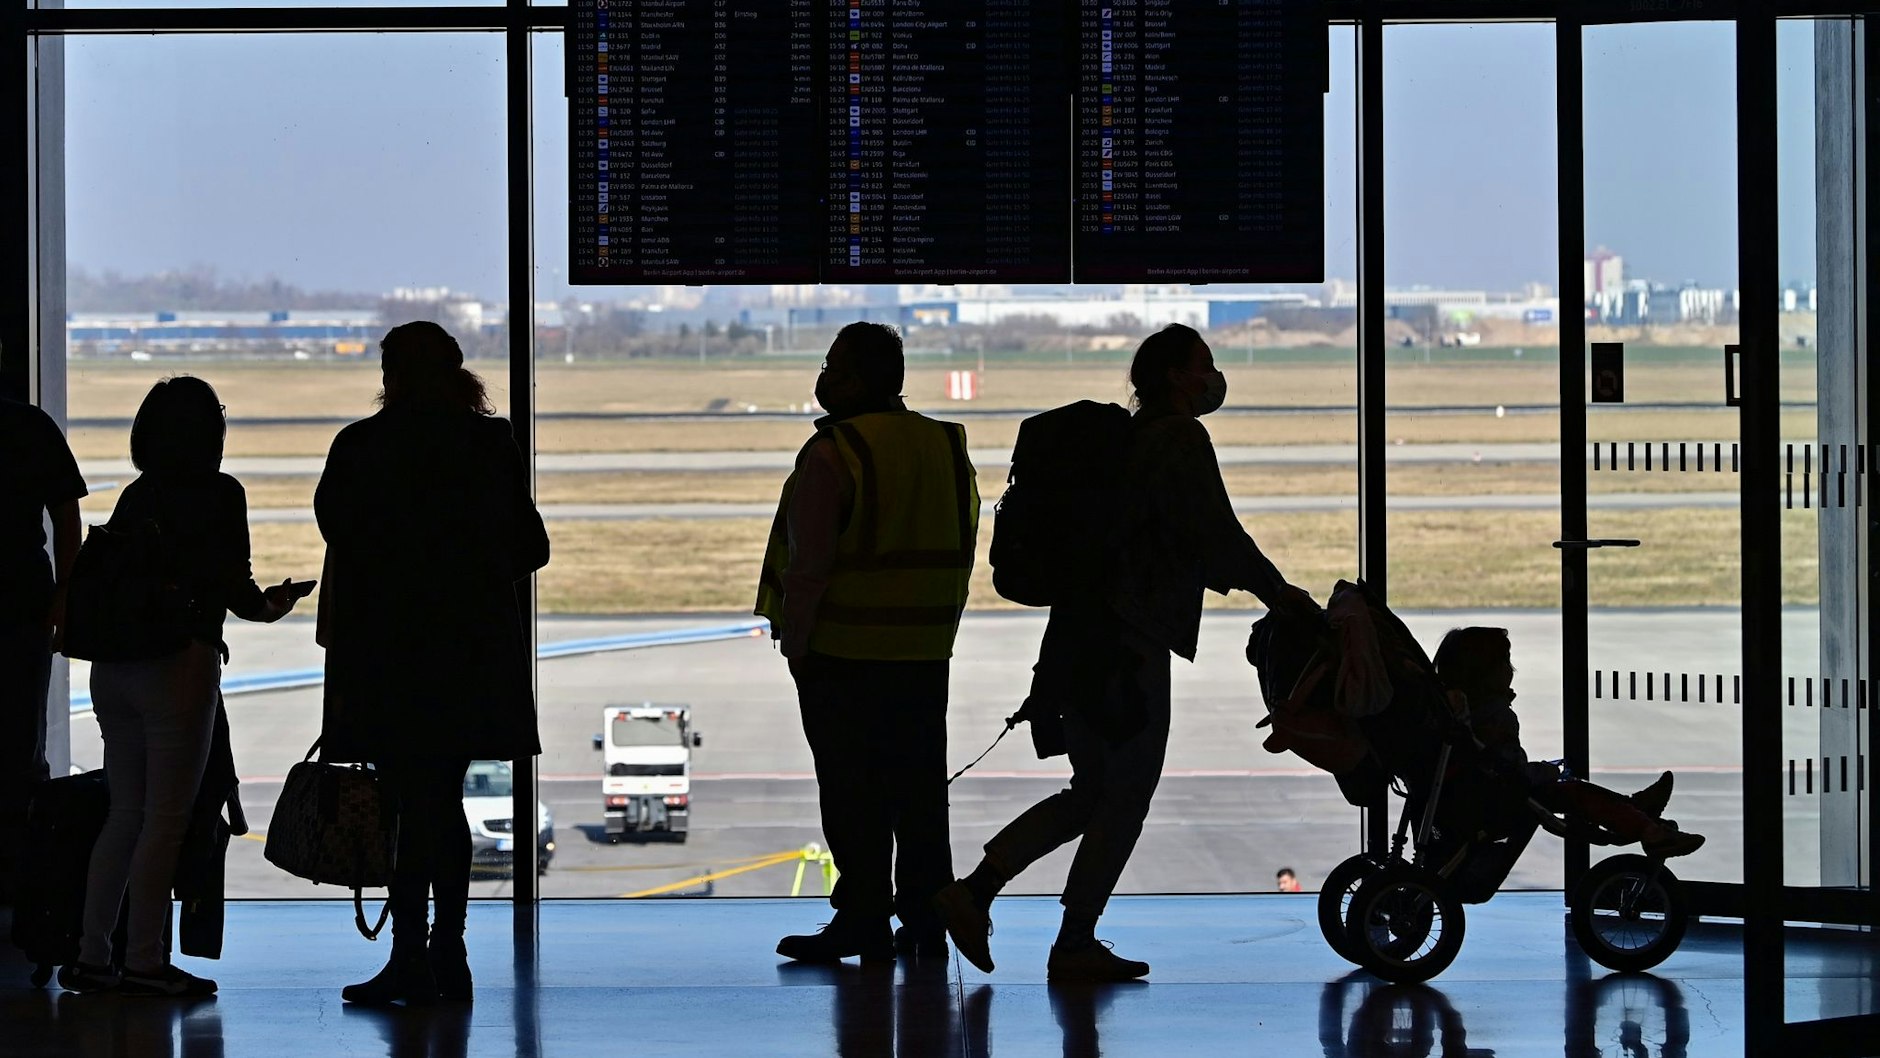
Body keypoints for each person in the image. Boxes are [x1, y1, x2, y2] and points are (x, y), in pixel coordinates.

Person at [936, 323, 1319, 982]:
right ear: (1174, 376)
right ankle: (1071, 935)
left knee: (1094, 793)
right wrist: (1279, 593)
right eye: (1205, 364)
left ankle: (977, 891)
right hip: (1127, 645)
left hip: (1082, 637)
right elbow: (1217, 533)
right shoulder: (1178, 440)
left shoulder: (1127, 444)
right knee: (1126, 796)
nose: (1213, 377)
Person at [316, 321, 549, 1005]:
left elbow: (341, 536)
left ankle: (411, 956)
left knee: (403, 804)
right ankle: (449, 950)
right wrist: (466, 584)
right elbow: (530, 546)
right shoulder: (489, 445)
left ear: (390, 376)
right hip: (464, 657)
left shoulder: (359, 447)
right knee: (442, 804)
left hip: (385, 659)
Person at [60, 377, 310, 997]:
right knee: (166, 821)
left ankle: (94, 956)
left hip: (112, 671)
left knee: (124, 813)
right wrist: (272, 606)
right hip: (177, 667)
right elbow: (234, 588)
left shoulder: (135, 497)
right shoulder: (221, 494)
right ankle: (146, 960)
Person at [755, 321, 979, 963]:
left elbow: (810, 565)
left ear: (855, 378)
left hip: (845, 653)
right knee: (918, 795)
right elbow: (963, 540)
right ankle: (927, 918)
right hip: (925, 650)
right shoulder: (944, 444)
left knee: (853, 797)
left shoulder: (834, 451)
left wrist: (797, 642)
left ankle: (862, 918)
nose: (823, 377)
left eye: (832, 365)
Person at [1432, 627, 1703, 858]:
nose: (1511, 670)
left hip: (1476, 796)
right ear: (1486, 672)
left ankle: (1634, 809)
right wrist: (1544, 771)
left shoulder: (1462, 711)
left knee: (1571, 790)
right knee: (1574, 793)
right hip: (1494, 801)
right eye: (1506, 663)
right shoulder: (1494, 716)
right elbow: (1509, 770)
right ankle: (1649, 830)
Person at [0, 394, 86, 901]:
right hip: (20, 601)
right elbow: (66, 511)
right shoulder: (30, 425)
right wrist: (66, 590)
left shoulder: (29, 425)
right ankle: (24, 886)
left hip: (20, 606)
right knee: (20, 743)